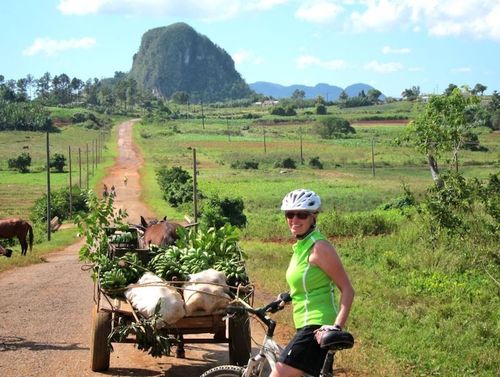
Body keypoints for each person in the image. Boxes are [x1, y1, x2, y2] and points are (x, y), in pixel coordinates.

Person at [270, 189, 354, 377]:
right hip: (306, 324)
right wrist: (286, 297)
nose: (294, 219)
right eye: (290, 214)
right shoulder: (301, 247)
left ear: (313, 217)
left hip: (317, 326)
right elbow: (308, 283)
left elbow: (347, 289)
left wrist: (336, 326)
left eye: (301, 214)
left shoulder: (319, 247)